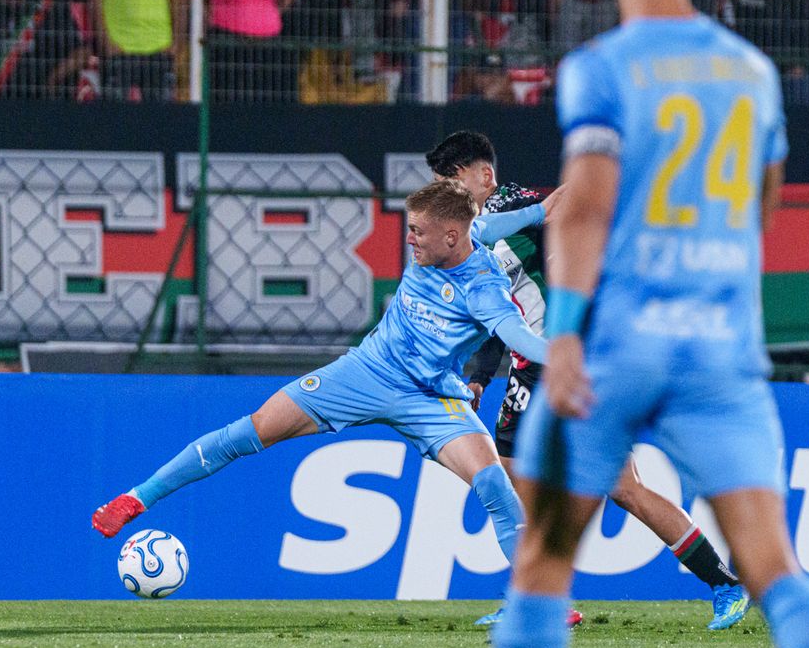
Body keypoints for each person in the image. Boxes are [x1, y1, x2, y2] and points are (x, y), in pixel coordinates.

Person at [490, 0, 809, 648]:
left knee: (541, 568)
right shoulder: (752, 73)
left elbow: (582, 212)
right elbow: (763, 205)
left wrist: (565, 334)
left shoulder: (600, 68)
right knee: (776, 570)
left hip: (616, 349)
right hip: (719, 352)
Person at [93, 179, 559, 620]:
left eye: (418, 231)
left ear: (450, 236)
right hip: (366, 372)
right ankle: (135, 500)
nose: (409, 239)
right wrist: (543, 207)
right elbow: (505, 221)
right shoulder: (463, 234)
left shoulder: (485, 290)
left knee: (493, 482)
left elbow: (519, 337)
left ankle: (539, 605)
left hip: (431, 398)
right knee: (253, 429)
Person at [429, 130, 753, 631]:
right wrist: (479, 378)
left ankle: (725, 583)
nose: (445, 190)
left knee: (623, 488)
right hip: (529, 367)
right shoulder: (477, 233)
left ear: (484, 175)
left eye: (452, 179)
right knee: (507, 472)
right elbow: (498, 309)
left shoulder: (518, 208)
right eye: (439, 182)